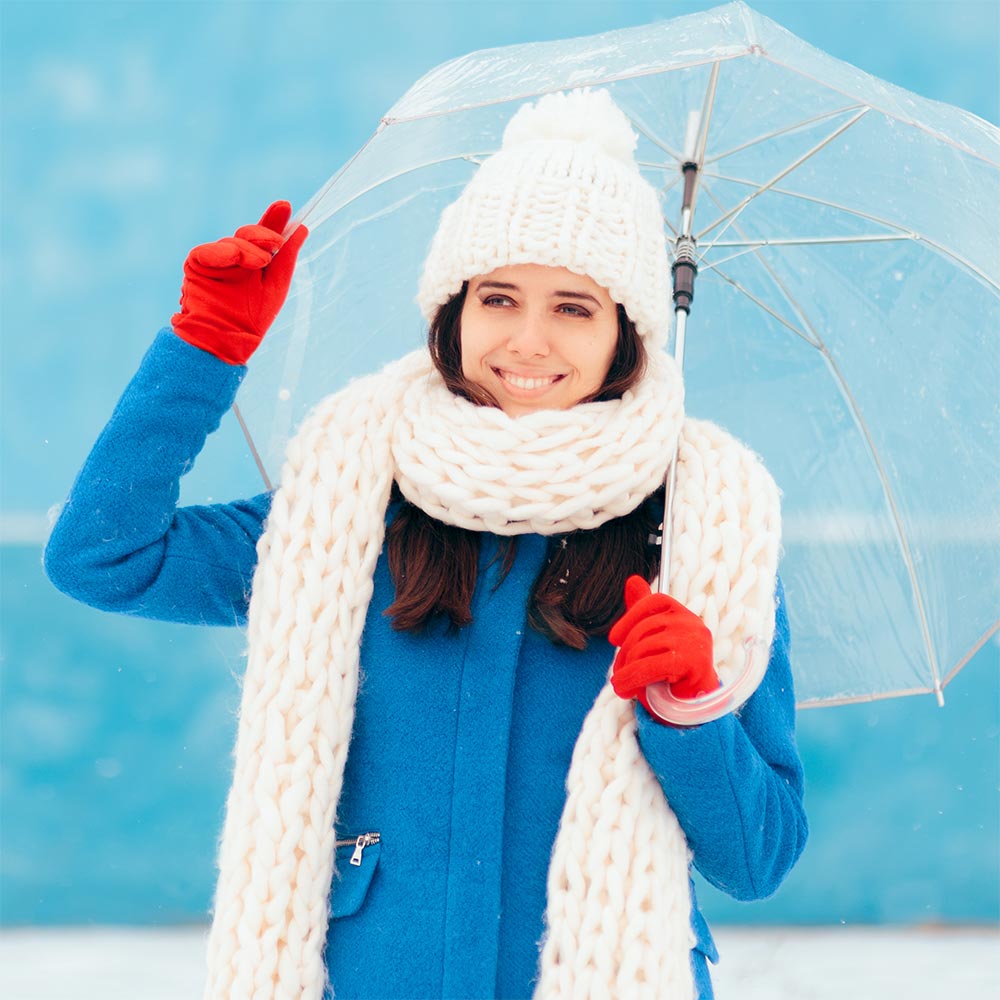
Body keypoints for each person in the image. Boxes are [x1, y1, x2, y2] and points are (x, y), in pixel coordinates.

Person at [44, 89, 807, 1000]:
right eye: (498, 298)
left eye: (574, 307)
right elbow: (103, 555)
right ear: (451, 310)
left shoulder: (701, 537)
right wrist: (204, 349)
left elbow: (757, 857)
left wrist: (693, 708)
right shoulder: (347, 507)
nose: (528, 340)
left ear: (626, 335)